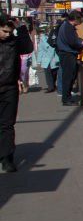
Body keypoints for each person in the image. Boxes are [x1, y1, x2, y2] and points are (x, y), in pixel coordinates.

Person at [0, 14, 34, 172]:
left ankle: (7, 158)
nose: (7, 34)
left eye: (9, 31)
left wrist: (21, 27)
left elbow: (28, 47)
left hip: (9, 87)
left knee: (7, 124)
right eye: (4, 31)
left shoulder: (14, 42)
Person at [56, 10, 83, 106]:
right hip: (67, 54)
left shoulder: (66, 26)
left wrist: (80, 41)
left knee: (69, 75)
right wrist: (82, 43)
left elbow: (73, 40)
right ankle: (66, 98)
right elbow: (72, 42)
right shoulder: (68, 27)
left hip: (66, 53)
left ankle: (67, 97)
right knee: (68, 76)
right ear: (75, 19)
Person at [33, 24, 60, 93]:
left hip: (54, 57)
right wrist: (39, 61)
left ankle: (53, 85)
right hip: (46, 58)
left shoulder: (55, 37)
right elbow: (41, 49)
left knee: (54, 72)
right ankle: (50, 87)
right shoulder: (43, 38)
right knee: (48, 73)